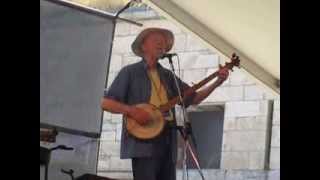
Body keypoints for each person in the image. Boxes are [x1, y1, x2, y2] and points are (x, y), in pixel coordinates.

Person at [101, 28, 229, 180]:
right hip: (143, 142)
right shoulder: (130, 72)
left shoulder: (168, 76)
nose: (161, 45)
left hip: (168, 139)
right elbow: (106, 103)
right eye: (157, 41)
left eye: (164, 43)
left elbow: (194, 98)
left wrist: (218, 81)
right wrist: (133, 111)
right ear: (143, 46)